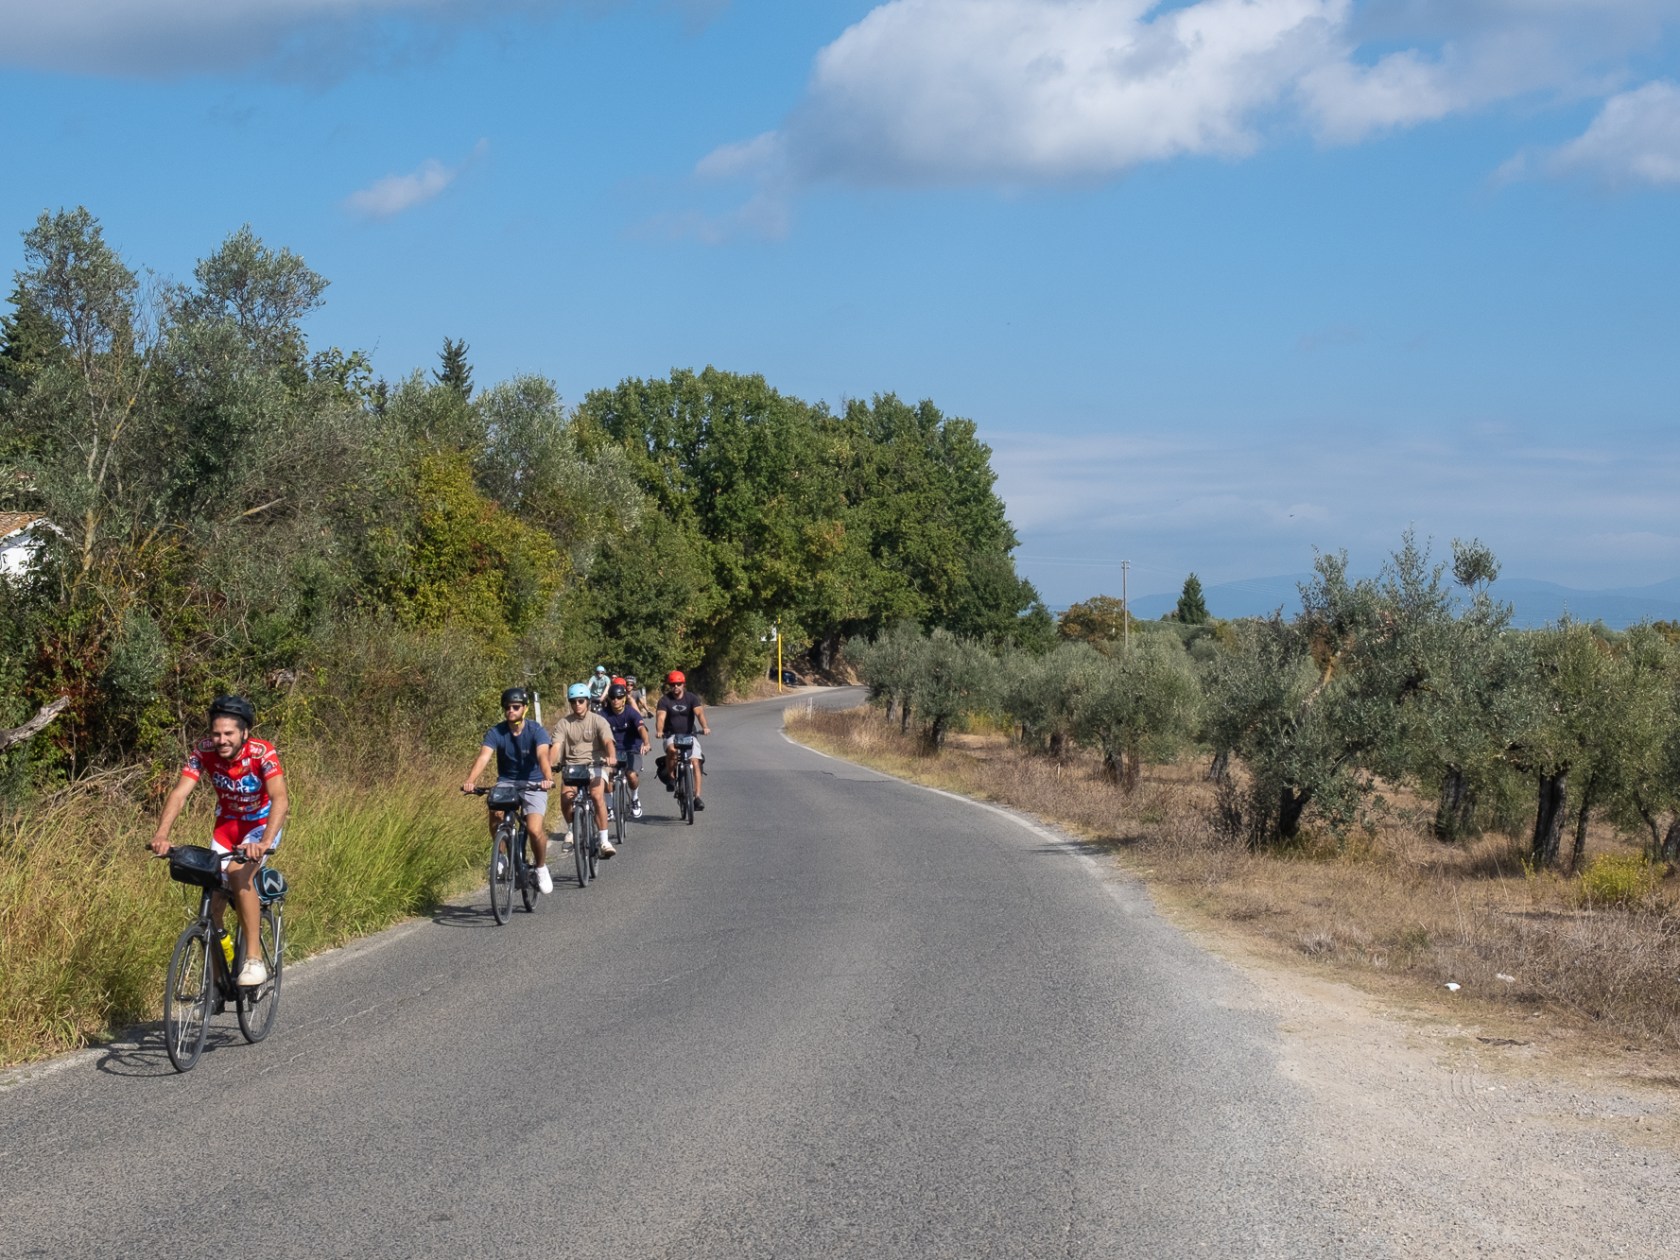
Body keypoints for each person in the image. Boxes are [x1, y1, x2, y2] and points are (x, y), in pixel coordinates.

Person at [148, 696, 289, 986]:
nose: (221, 740)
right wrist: (162, 834)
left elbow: (280, 799)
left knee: (238, 874)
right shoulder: (203, 751)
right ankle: (216, 978)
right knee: (212, 898)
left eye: (228, 734)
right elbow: (179, 793)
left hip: (260, 825)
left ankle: (253, 960)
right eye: (216, 733)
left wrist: (263, 842)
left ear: (244, 733)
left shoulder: (263, 752)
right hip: (226, 826)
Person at [461, 687, 556, 894]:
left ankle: (540, 867)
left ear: (524, 708)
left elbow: (542, 756)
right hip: (507, 782)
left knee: (534, 829)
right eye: (507, 708)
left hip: (534, 782)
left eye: (515, 707)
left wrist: (548, 778)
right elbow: (484, 757)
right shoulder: (497, 732)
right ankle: (501, 856)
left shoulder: (536, 730)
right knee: (496, 814)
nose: (510, 711)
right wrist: (470, 780)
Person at [554, 682, 618, 857]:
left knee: (597, 796)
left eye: (581, 701)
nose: (577, 705)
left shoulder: (598, 720)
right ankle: (572, 828)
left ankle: (604, 840)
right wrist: (551, 763)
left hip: (595, 765)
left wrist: (611, 756)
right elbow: (556, 745)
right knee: (566, 799)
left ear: (588, 701)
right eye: (574, 701)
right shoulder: (564, 723)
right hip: (572, 767)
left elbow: (608, 741)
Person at [655, 669, 711, 811]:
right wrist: (660, 730)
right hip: (671, 735)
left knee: (695, 761)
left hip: (689, 735)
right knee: (672, 751)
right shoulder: (665, 700)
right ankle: (672, 778)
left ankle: (697, 797)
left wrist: (705, 727)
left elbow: (699, 713)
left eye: (678, 684)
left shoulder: (691, 698)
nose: (676, 687)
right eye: (673, 684)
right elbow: (660, 717)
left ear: (683, 684)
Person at [600, 682, 650, 819]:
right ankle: (609, 807)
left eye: (619, 697)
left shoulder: (631, 712)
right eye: (612, 697)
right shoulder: (603, 714)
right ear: (609, 699)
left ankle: (634, 799)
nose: (615, 700)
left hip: (631, 749)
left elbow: (641, 728)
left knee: (631, 775)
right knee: (607, 779)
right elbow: (596, 731)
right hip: (612, 751)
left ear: (624, 698)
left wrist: (646, 743)